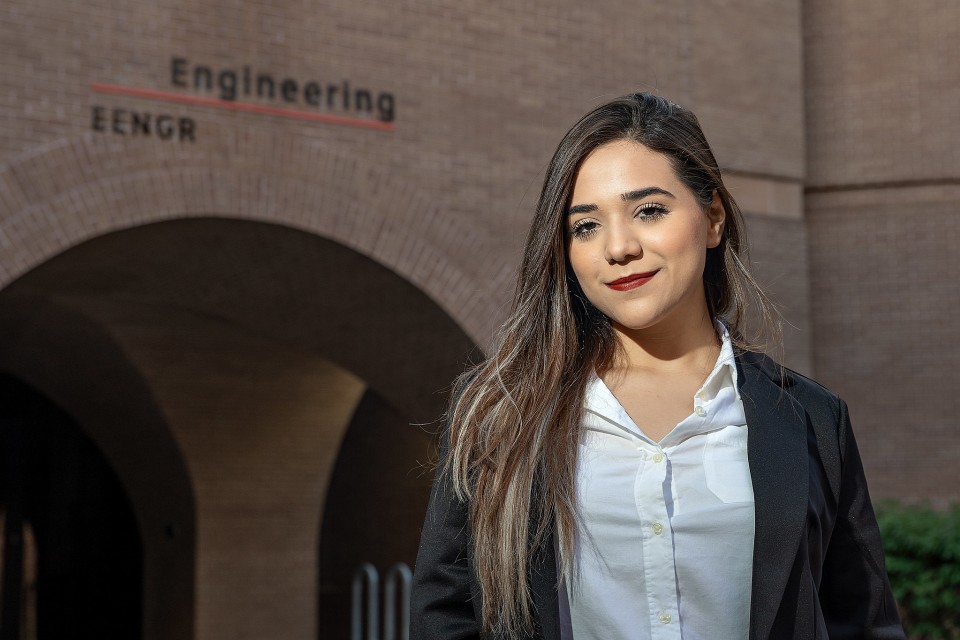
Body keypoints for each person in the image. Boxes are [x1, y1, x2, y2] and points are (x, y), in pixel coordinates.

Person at [410, 92, 905, 640]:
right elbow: (446, 614)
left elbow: (861, 621)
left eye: (648, 210)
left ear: (712, 217)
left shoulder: (812, 419)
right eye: (585, 227)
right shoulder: (501, 415)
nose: (618, 248)